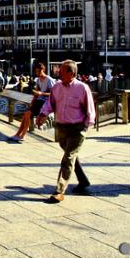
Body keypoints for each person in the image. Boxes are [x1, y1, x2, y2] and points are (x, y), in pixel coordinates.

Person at [36, 60, 96, 203]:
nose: (59, 73)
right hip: (62, 128)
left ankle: (59, 190)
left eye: (62, 71)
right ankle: (83, 181)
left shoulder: (82, 88)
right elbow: (50, 103)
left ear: (72, 73)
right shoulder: (57, 87)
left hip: (77, 128)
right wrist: (43, 115)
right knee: (71, 156)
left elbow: (90, 109)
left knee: (68, 158)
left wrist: (86, 126)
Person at [9, 63, 54, 142]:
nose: (37, 73)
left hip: (44, 103)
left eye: (38, 72)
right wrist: (32, 101)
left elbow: (53, 94)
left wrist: (41, 93)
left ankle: (22, 135)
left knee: (27, 114)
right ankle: (18, 134)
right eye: (36, 72)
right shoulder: (39, 80)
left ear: (43, 70)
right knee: (25, 115)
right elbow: (36, 93)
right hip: (38, 101)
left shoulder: (49, 80)